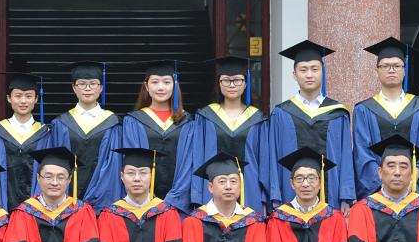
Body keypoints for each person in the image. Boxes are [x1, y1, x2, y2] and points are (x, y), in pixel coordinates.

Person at [265, 40, 355, 214]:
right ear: (294, 75)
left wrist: (346, 195)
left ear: (323, 72)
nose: (309, 75)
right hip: (289, 196)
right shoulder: (281, 113)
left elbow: (345, 156)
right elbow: (273, 155)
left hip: (331, 194)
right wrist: (275, 195)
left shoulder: (338, 113)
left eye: (315, 69)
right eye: (303, 70)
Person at [353, 37, 419, 202]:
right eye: (385, 66)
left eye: (396, 66)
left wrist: (413, 177)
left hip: (414, 193)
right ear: (377, 71)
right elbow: (362, 154)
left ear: (404, 70)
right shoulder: (363, 110)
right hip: (377, 196)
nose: (391, 70)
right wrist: (385, 185)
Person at [178, 56, 265, 212]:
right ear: (219, 83)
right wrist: (197, 196)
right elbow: (198, 158)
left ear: (245, 83)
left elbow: (264, 161)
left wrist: (265, 199)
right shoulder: (205, 117)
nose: (231, 85)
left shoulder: (258, 119)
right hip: (211, 194)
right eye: (226, 80)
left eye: (237, 80)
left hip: (250, 193)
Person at [117, 60, 194, 211]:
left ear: (174, 85)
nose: (160, 87)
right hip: (142, 203)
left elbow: (189, 163)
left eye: (166, 82)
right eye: (155, 82)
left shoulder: (188, 121)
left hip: (178, 202)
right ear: (146, 86)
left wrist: (174, 199)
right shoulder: (134, 121)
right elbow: (133, 161)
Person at [0, 71, 54, 212]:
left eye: (28, 96)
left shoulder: (46, 135)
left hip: (37, 210)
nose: (23, 101)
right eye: (18, 96)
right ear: (9, 98)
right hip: (2, 207)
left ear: (36, 99)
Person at [47, 61, 121, 211]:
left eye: (93, 84)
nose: (87, 88)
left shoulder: (113, 123)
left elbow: (114, 165)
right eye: (81, 84)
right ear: (74, 88)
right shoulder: (60, 124)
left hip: (102, 199)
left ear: (101, 88)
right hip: (67, 199)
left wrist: (99, 194)